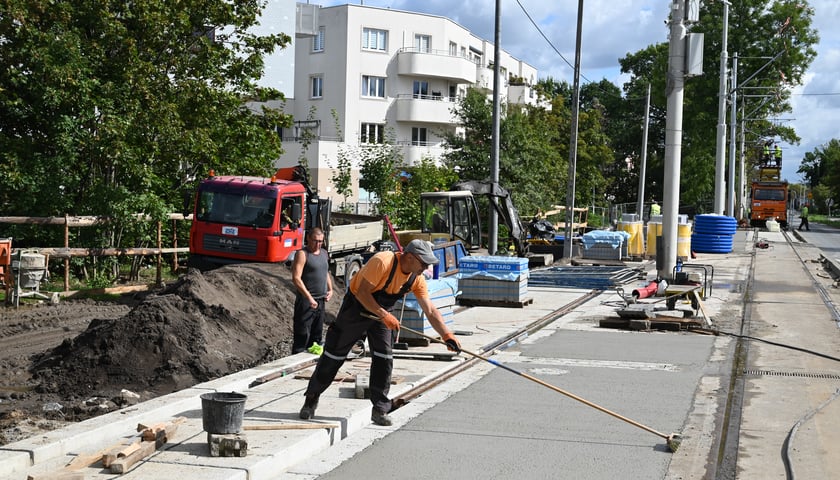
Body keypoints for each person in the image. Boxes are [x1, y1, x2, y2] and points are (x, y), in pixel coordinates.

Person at [299, 239, 461, 426]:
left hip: (383, 313)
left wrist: (447, 335)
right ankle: (311, 398)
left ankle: (380, 409)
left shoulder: (416, 278)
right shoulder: (383, 262)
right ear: (409, 256)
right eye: (423, 263)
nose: (425, 267)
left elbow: (431, 310)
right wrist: (384, 315)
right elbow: (362, 293)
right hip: (357, 308)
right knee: (334, 354)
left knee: (384, 357)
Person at [291, 227, 333, 354]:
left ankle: (312, 364)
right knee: (302, 335)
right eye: (315, 241)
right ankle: (296, 361)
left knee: (316, 336)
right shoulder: (303, 254)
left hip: (320, 301)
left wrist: (330, 289)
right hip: (306, 302)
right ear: (308, 238)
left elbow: (325, 272)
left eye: (320, 241)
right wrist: (309, 298)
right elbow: (296, 278)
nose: (318, 244)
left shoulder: (324, 253)